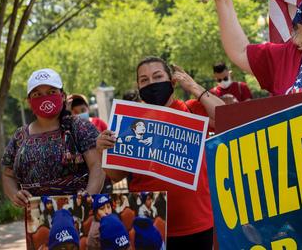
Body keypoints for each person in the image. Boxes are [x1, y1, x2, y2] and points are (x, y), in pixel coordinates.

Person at [96, 57, 224, 249]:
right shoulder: (129, 122)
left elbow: (227, 117)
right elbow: (116, 176)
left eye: (158, 76)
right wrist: (103, 151)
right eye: (144, 80)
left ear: (172, 81)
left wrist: (194, 87)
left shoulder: (192, 109)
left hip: (198, 222)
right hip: (150, 227)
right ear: (139, 87)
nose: (152, 84)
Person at [2, 69, 104, 205]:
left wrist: (88, 198)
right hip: (37, 218)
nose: (45, 98)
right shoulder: (20, 136)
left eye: (51, 92)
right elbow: (8, 175)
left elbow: (97, 164)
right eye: (37, 94)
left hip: (79, 213)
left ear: (62, 96)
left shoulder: (79, 127)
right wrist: (15, 194)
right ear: (29, 101)